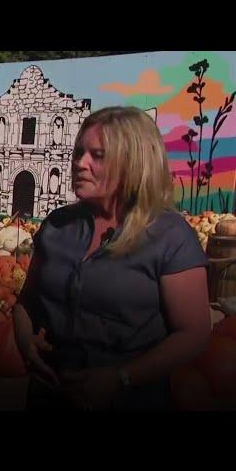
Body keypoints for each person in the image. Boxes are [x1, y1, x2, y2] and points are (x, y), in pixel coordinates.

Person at [13, 106, 212, 410]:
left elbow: (194, 333)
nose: (80, 163)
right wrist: (26, 343)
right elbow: (26, 303)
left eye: (98, 155)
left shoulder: (170, 236)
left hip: (129, 398)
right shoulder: (56, 225)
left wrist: (121, 378)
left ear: (134, 163)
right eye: (79, 152)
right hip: (48, 395)